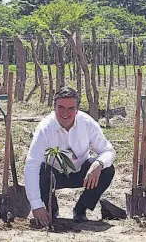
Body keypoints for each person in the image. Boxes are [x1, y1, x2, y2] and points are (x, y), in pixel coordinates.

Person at [24, 87, 116, 227]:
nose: (65, 113)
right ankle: (51, 209)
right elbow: (31, 165)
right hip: (54, 176)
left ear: (77, 109)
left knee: (107, 169)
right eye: (60, 107)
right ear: (54, 107)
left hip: (82, 174)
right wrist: (36, 206)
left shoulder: (88, 123)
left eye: (71, 109)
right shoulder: (45, 128)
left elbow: (108, 151)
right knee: (41, 170)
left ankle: (81, 209)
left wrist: (98, 164)